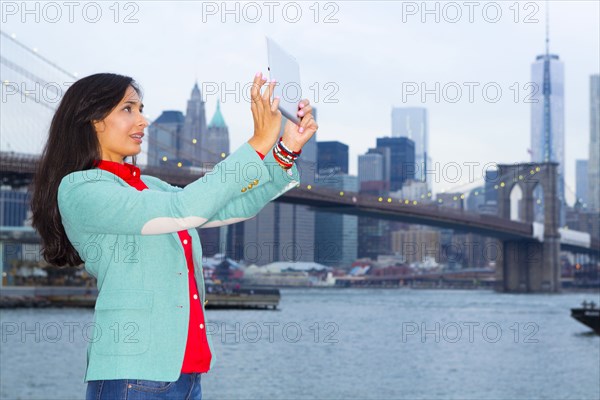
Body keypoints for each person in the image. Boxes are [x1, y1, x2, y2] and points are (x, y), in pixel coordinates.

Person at [30, 72, 317, 399]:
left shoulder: (150, 187)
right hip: (132, 374)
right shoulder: (81, 189)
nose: (143, 120)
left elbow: (232, 207)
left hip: (187, 375)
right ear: (93, 120)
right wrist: (258, 143)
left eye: (141, 109)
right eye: (129, 109)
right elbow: (187, 207)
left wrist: (284, 150)